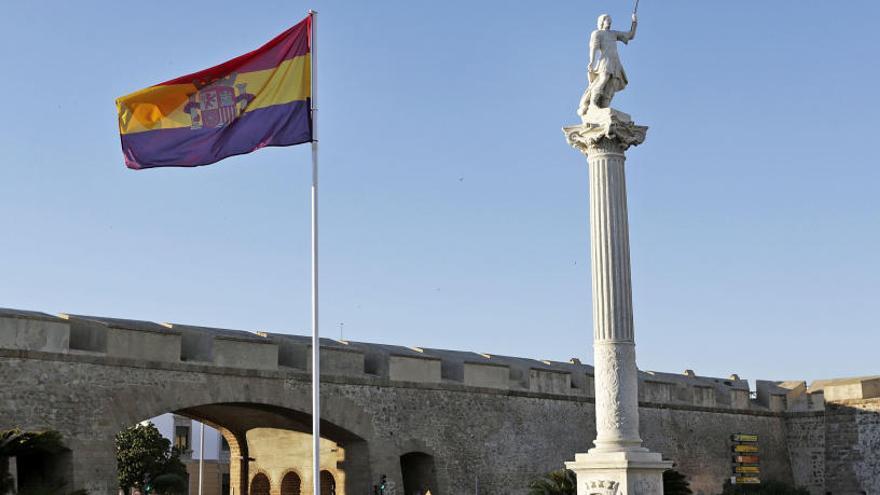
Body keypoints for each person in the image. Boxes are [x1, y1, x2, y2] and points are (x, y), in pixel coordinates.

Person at [577, 13, 638, 120]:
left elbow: (630, 35)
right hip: (605, 60)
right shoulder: (597, 33)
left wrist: (634, 22)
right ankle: (593, 103)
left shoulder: (613, 34)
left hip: (615, 61)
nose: (609, 22)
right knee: (603, 79)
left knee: (612, 83)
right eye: (607, 20)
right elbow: (593, 48)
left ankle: (605, 105)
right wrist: (591, 62)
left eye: (610, 20)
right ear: (601, 22)